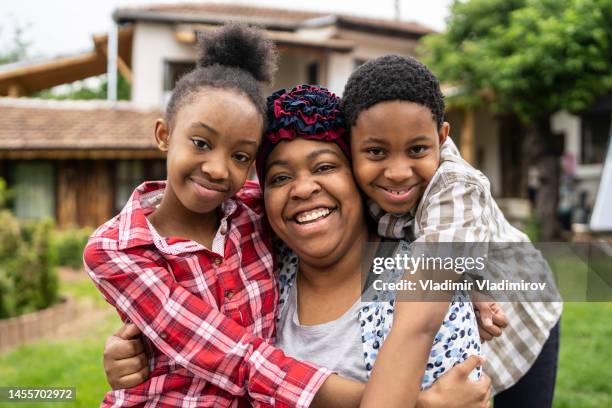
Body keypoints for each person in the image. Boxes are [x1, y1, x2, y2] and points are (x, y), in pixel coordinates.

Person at [102, 85, 493, 408]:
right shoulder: (264, 268)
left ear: (359, 175)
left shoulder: (419, 285)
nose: (303, 189)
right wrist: (143, 357)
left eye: (324, 167)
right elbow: (206, 342)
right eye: (280, 177)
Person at [84, 24, 364, 408]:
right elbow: (234, 357)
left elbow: (403, 175)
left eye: (240, 157)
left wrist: (476, 276)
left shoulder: (253, 212)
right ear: (164, 135)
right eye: (201, 143)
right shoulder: (119, 248)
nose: (218, 169)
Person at [342, 54, 562, 408]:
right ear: (349, 145)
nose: (398, 172)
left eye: (417, 149)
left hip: (524, 320)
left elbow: (428, 288)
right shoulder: (352, 183)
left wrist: (464, 283)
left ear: (441, 137)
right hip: (464, 323)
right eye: (376, 151)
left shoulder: (455, 186)